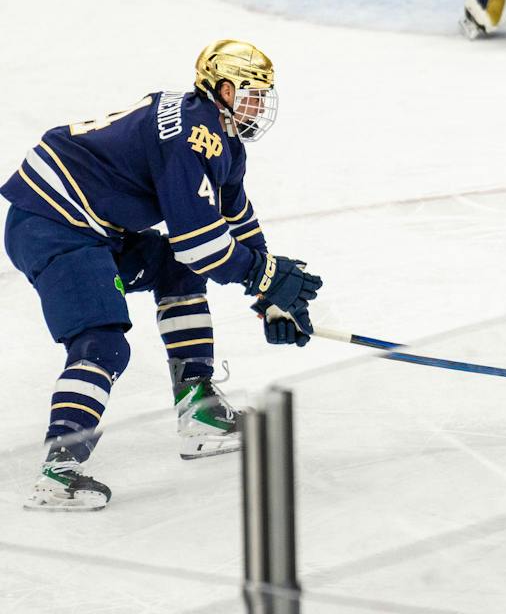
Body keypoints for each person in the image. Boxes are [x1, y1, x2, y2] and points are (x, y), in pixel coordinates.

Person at [1, 39, 322, 511]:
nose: (259, 104)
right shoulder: (193, 136)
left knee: (175, 267)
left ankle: (199, 413)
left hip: (89, 223)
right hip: (52, 225)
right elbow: (202, 243)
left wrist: (269, 292)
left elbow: (236, 219)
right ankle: (57, 471)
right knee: (102, 343)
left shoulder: (217, 133)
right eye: (251, 92)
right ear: (224, 90)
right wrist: (263, 274)